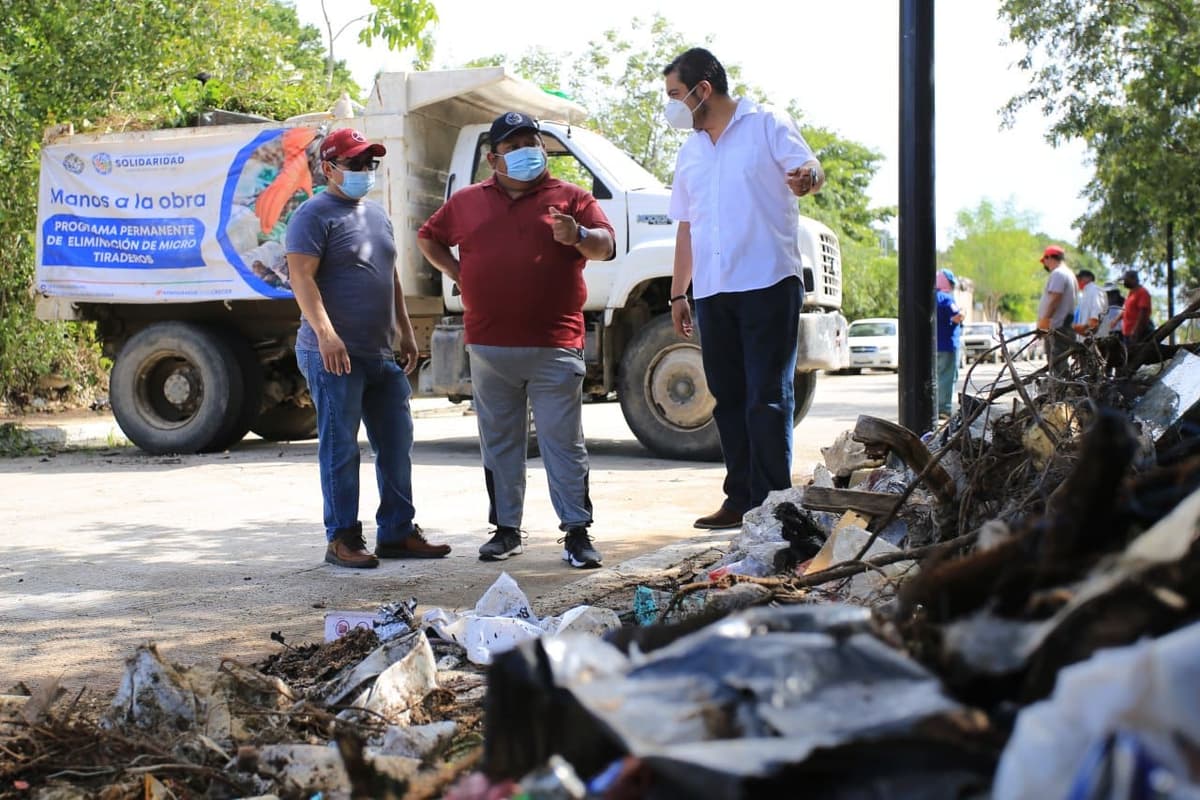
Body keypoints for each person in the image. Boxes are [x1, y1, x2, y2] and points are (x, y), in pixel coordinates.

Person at [417, 112, 616, 569]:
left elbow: (605, 244)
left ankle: (577, 533)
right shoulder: (467, 201)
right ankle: (506, 531)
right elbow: (429, 237)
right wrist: (456, 272)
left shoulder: (571, 197)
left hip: (555, 346)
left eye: (535, 143)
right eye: (517, 145)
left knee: (562, 443)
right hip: (490, 348)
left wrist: (577, 234)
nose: (530, 151)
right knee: (500, 441)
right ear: (494, 158)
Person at [662, 48, 825, 530]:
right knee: (728, 396)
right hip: (713, 290)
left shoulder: (767, 123)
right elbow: (687, 227)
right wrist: (678, 293)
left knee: (767, 397)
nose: (671, 105)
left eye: (675, 94)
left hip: (769, 281)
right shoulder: (690, 150)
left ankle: (774, 505)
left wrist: (805, 180)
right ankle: (740, 499)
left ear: (702, 91)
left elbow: (810, 171)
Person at [286, 127, 451, 568]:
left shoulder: (375, 214)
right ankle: (342, 537)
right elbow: (301, 278)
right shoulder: (313, 215)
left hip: (379, 353)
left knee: (396, 444)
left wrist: (405, 329)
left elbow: (390, 275)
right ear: (329, 169)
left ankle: (397, 531)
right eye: (354, 164)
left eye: (369, 164)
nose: (363, 171)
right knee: (341, 447)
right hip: (334, 354)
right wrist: (326, 334)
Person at [1035, 245, 1079, 376]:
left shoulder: (1058, 274)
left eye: (1045, 261)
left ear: (1049, 258)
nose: (1046, 265)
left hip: (1057, 327)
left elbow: (1055, 299)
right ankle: (1063, 392)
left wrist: (1044, 321)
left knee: (1057, 365)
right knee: (1059, 364)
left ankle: (1061, 393)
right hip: (1064, 325)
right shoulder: (1069, 274)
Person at [935, 269, 965, 419]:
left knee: (935, 376)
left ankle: (933, 406)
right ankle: (944, 408)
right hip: (948, 345)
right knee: (947, 376)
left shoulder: (931, 298)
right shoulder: (947, 299)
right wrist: (962, 315)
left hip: (933, 346)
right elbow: (957, 316)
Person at [1117, 269, 1154, 344]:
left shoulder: (1142, 292)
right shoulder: (1131, 293)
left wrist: (1136, 330)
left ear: (1133, 279)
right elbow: (1126, 310)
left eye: (1126, 280)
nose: (1124, 283)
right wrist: (1115, 321)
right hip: (1127, 333)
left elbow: (1143, 313)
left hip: (1137, 333)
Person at [1073, 268, 1108, 338]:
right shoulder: (1085, 294)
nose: (1077, 281)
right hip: (1085, 341)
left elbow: (1094, 321)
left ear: (1088, 278)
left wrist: (1072, 328)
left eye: (1079, 278)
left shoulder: (1096, 291)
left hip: (1094, 341)